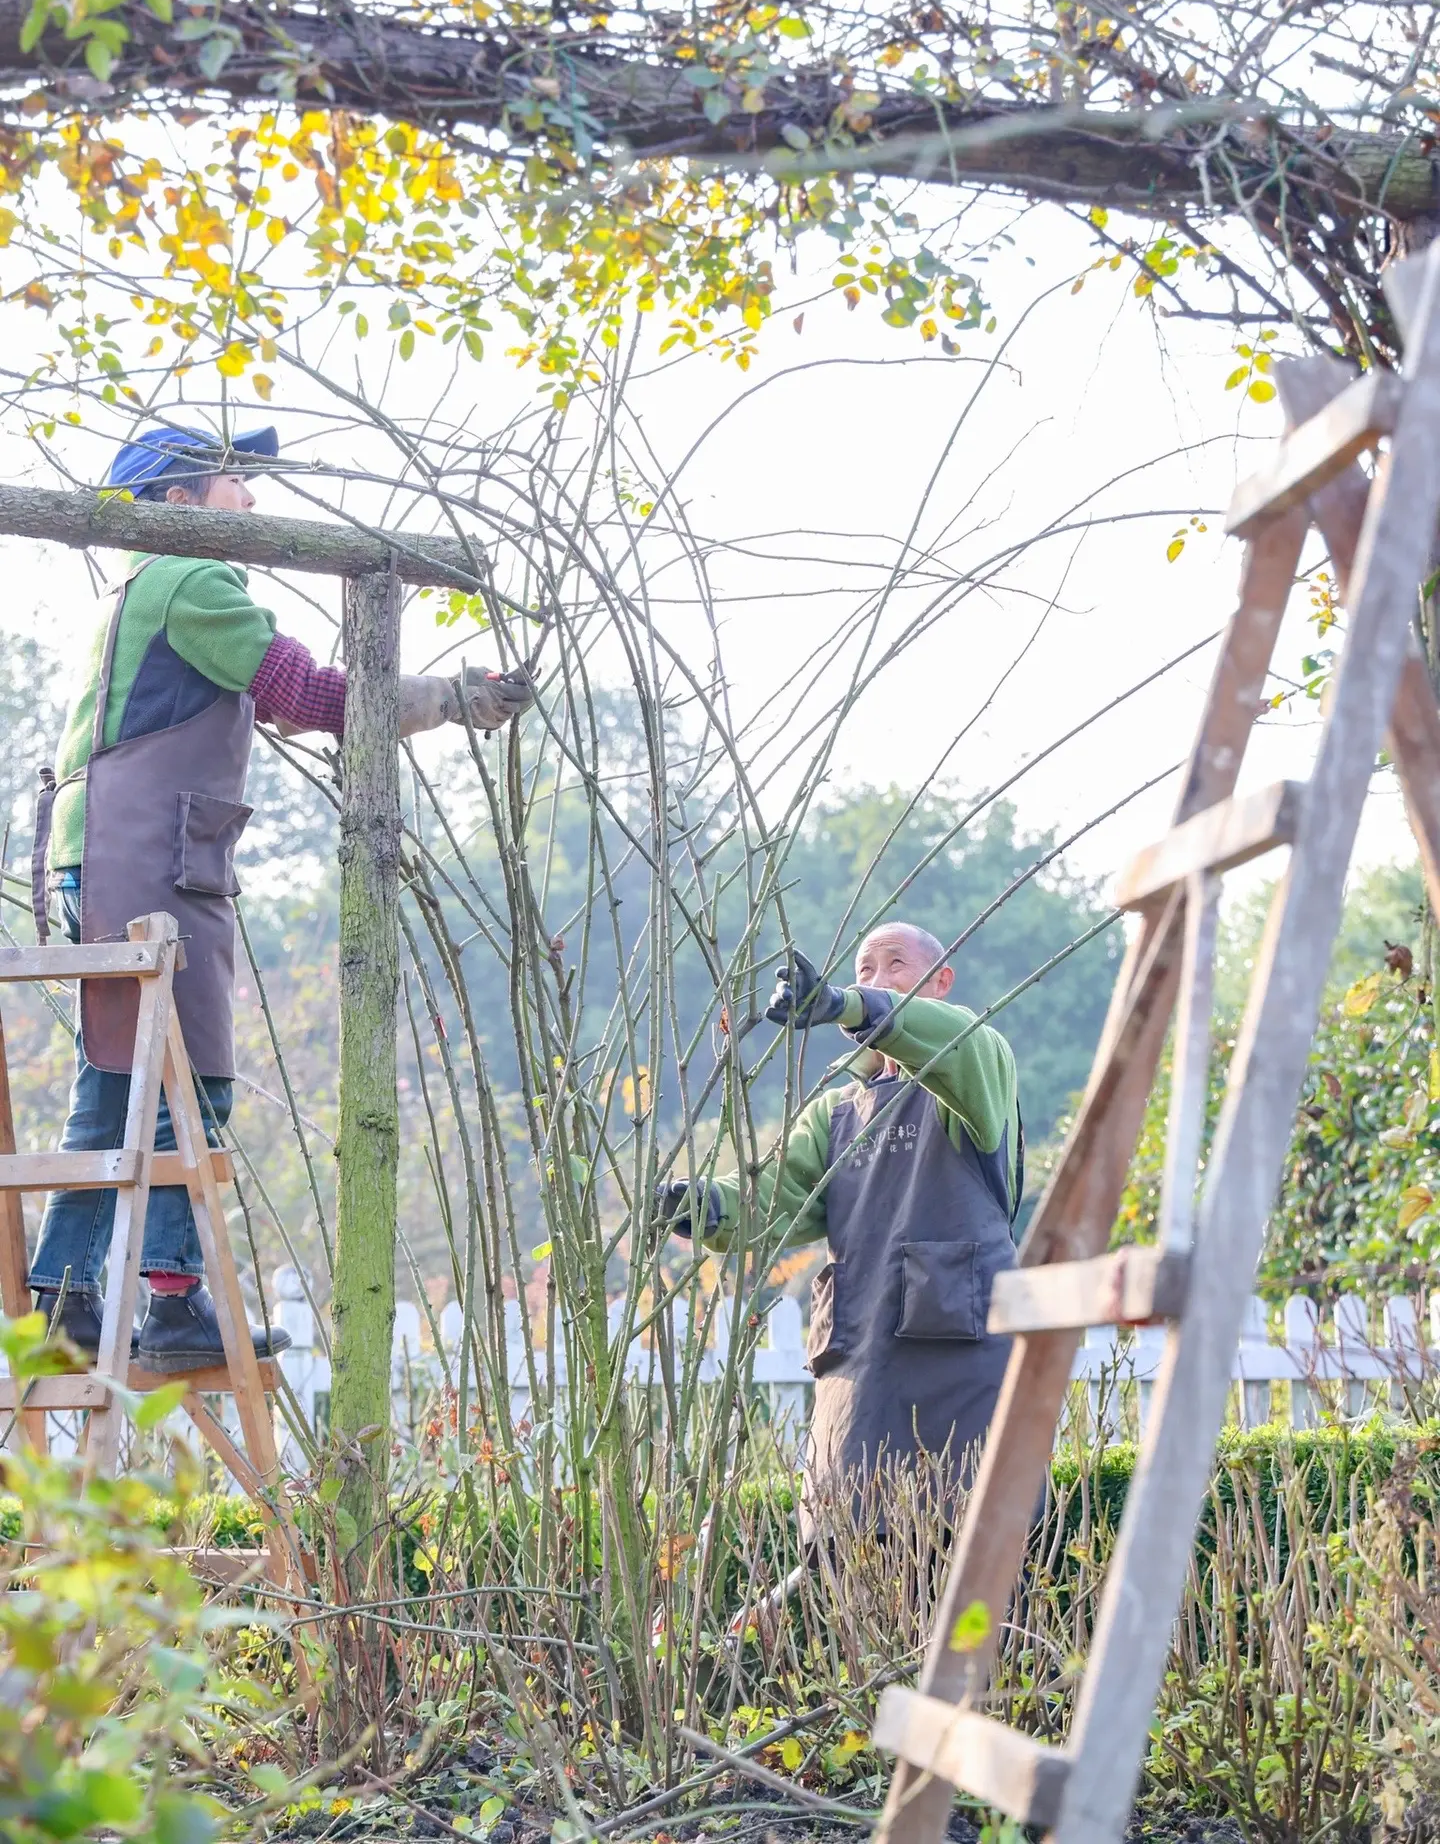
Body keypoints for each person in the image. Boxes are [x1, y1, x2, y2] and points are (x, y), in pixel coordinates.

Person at [28, 423, 532, 1373]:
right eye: (232, 485)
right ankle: (173, 1296)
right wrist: (454, 698)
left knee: (119, 1075)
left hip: (112, 852)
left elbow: (284, 701)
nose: (252, 503)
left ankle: (62, 1294)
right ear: (179, 503)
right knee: (191, 1074)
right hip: (147, 857)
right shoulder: (191, 578)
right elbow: (303, 692)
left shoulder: (135, 589)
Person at [655, 921, 1023, 1526]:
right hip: (859, 1369)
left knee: (969, 1543)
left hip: (963, 1363)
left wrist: (844, 1005)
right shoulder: (837, 1111)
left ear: (941, 982)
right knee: (847, 1550)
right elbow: (775, 1198)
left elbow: (954, 1040)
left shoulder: (978, 1069)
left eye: (895, 964)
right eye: (864, 971)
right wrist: (700, 1206)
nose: (877, 979)